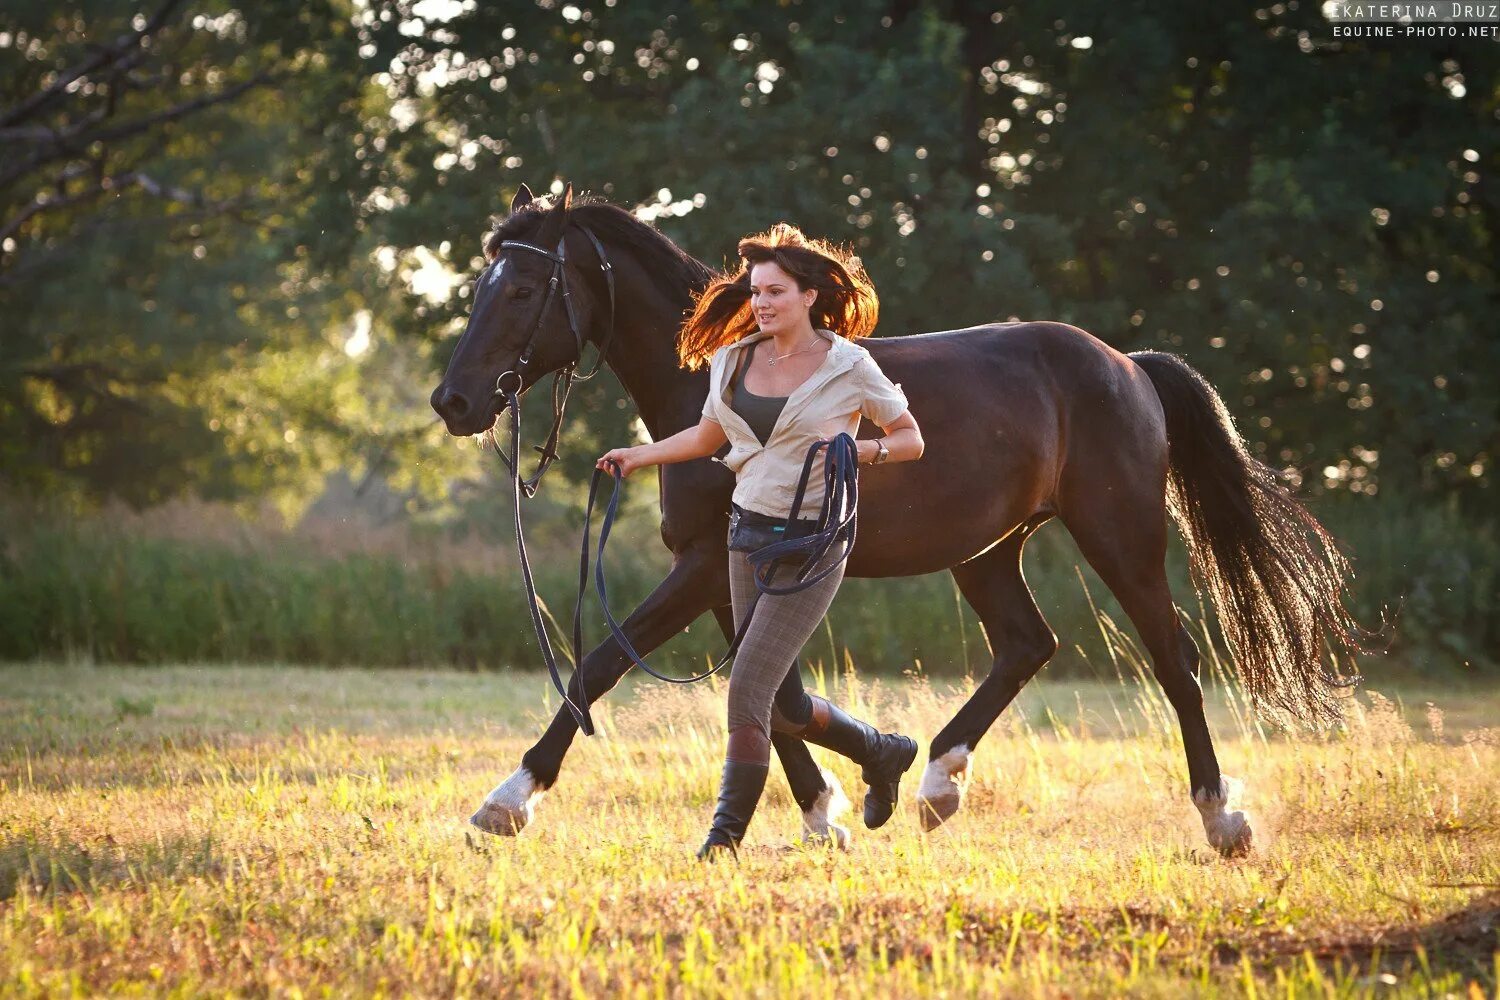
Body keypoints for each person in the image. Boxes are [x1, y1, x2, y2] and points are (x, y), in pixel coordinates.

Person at [596, 223, 925, 858]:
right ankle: (881, 750)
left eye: (775, 291)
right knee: (782, 702)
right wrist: (637, 456)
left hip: (815, 542)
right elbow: (706, 438)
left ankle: (721, 844)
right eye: (755, 293)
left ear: (809, 297)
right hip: (746, 534)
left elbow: (911, 437)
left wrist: (861, 450)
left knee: (748, 691)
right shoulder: (734, 359)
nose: (762, 303)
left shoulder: (848, 364)